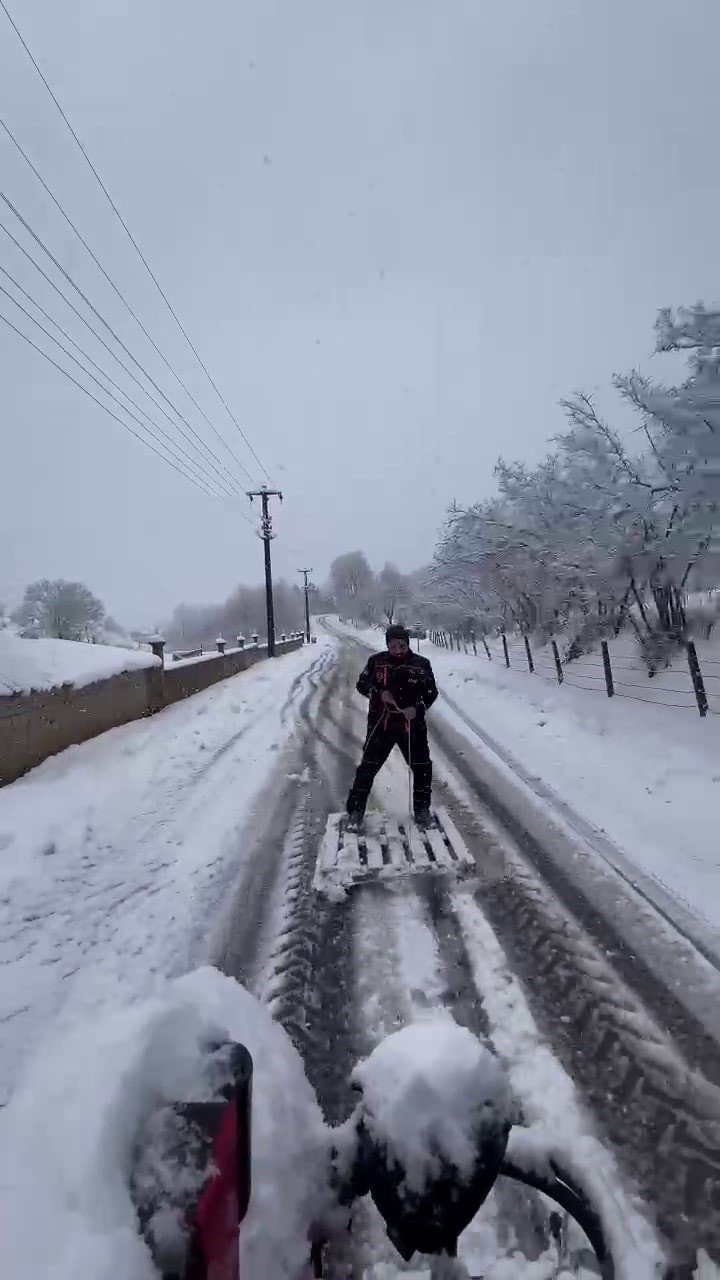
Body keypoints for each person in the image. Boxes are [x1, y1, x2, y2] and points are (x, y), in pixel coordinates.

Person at [346, 624, 438, 830]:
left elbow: (431, 692)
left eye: (402, 645)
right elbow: (361, 684)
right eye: (393, 645)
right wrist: (377, 693)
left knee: (422, 767)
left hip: (412, 726)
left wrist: (417, 709)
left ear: (408, 643)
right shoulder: (376, 662)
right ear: (388, 645)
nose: (398, 649)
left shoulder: (421, 664)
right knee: (367, 768)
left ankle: (422, 811)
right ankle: (355, 811)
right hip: (382, 724)